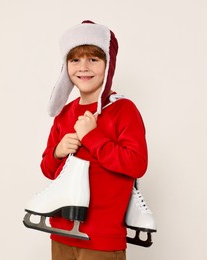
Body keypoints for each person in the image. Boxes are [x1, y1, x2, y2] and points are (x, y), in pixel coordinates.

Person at [40, 20, 148, 260]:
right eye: (75, 59)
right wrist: (57, 152)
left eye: (93, 59)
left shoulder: (123, 110)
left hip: (102, 240)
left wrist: (92, 137)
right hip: (60, 233)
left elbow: (137, 164)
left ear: (108, 64)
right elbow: (48, 170)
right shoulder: (64, 114)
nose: (83, 67)